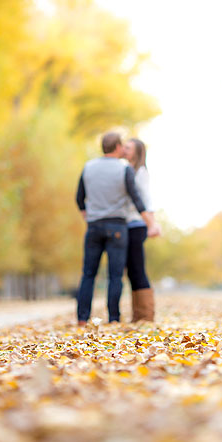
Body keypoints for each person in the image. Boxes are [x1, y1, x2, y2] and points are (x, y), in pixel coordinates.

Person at [75, 131, 158, 325]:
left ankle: (82, 318)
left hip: (94, 225)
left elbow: (79, 197)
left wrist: (87, 215)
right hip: (118, 226)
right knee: (115, 275)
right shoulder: (124, 170)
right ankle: (113, 318)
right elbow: (138, 200)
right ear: (118, 147)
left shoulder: (88, 167)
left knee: (88, 273)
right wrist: (151, 223)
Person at [123, 137, 158, 322]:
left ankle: (145, 315)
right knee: (132, 270)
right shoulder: (128, 170)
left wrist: (152, 223)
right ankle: (138, 315)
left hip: (136, 225)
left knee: (137, 269)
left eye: (128, 148)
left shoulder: (141, 172)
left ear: (137, 152)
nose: (124, 150)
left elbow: (147, 199)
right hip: (128, 224)